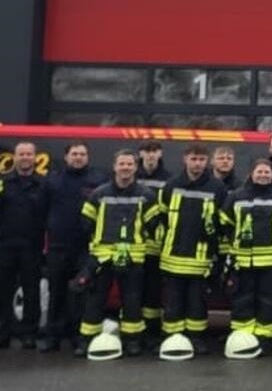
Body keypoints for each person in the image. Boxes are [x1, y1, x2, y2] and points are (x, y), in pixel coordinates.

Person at [75, 150, 162, 357]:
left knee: (132, 302)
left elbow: (154, 226)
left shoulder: (147, 195)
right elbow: (86, 224)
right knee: (95, 301)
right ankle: (87, 341)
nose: (125, 168)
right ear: (114, 167)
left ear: (135, 167)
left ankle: (132, 341)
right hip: (102, 256)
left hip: (133, 257)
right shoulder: (99, 194)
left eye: (129, 164)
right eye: (122, 164)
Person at [219, 159, 272, 355]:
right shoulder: (237, 196)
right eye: (259, 172)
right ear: (251, 173)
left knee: (268, 301)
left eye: (266, 172)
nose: (263, 175)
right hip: (243, 260)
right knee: (242, 300)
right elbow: (225, 222)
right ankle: (242, 337)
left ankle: (264, 338)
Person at [157, 144, 228, 355]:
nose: (197, 163)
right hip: (172, 255)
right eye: (193, 159)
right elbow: (161, 219)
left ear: (207, 162)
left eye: (201, 159)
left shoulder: (217, 187)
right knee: (173, 301)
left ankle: (196, 338)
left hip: (201, 258)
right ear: (185, 159)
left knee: (197, 302)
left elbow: (223, 223)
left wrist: (219, 256)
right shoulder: (171, 185)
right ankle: (173, 338)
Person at [40, 143, 107, 352]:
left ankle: (78, 337)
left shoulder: (98, 180)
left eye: (82, 154)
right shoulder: (53, 180)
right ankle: (53, 337)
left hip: (85, 247)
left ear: (88, 157)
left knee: (80, 294)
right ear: (66, 157)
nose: (78, 157)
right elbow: (42, 210)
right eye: (74, 154)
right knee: (56, 292)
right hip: (58, 246)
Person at [0, 141, 50, 350]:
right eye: (21, 154)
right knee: (3, 291)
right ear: (14, 157)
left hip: (32, 246)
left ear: (35, 157)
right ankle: (3, 333)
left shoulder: (44, 184)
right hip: (5, 245)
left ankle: (29, 333)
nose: (25, 157)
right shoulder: (3, 182)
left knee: (31, 292)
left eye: (29, 154)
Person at [136, 140, 170, 339]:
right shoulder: (131, 176)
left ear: (160, 154)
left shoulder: (169, 180)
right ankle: (133, 330)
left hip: (157, 245)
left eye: (154, 151)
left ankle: (151, 332)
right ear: (140, 154)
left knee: (153, 291)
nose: (150, 155)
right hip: (133, 244)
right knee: (132, 291)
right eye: (146, 151)